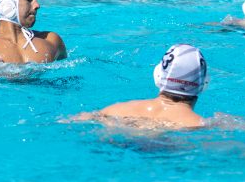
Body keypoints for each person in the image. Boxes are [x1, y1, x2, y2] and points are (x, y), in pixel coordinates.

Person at [66, 44, 208, 129]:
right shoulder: (201, 126)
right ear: (203, 85)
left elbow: (71, 121)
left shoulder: (114, 111)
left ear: (158, 76)